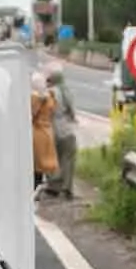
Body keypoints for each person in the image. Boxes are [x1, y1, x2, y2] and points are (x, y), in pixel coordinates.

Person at [40, 64, 79, 201]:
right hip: (66, 129)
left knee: (52, 157)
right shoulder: (65, 91)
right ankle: (67, 188)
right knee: (68, 158)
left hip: (51, 128)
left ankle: (53, 186)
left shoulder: (48, 93)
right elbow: (71, 111)